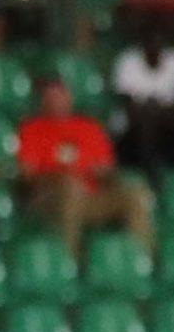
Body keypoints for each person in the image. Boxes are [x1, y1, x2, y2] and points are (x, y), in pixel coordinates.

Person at [15, 76, 154, 253]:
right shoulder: (32, 129)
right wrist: (60, 177)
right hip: (50, 199)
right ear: (42, 101)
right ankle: (68, 259)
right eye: (51, 97)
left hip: (91, 196)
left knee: (135, 194)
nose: (57, 101)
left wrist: (102, 173)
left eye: (61, 95)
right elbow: (27, 175)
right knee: (71, 189)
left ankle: (141, 258)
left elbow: (108, 168)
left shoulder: (89, 127)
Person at [111, 24, 174, 170]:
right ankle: (152, 172)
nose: (154, 46)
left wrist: (168, 111)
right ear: (142, 44)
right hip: (135, 125)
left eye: (158, 42)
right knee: (146, 120)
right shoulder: (127, 62)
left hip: (172, 118)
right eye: (149, 42)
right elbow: (128, 103)